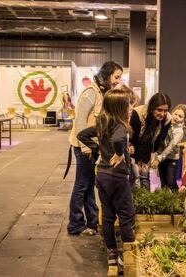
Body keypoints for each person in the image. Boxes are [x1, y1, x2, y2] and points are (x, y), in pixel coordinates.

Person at [77, 89, 134, 272]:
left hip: (102, 174)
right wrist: (118, 154)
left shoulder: (102, 123)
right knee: (126, 216)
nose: (130, 108)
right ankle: (127, 254)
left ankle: (111, 254)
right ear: (120, 108)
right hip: (117, 177)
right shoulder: (121, 125)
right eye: (128, 105)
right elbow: (118, 139)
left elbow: (82, 135)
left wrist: (98, 150)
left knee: (108, 217)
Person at [66, 61, 123, 236]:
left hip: (92, 146)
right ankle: (75, 224)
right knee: (82, 186)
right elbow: (80, 121)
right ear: (106, 74)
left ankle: (91, 222)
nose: (118, 81)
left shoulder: (103, 92)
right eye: (116, 77)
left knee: (90, 186)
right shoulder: (90, 92)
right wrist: (85, 146)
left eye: (119, 78)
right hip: (84, 146)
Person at [130, 93, 172, 189]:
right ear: (152, 108)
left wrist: (145, 159)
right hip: (133, 150)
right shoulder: (137, 113)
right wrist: (137, 159)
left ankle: (145, 202)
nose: (162, 114)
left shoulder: (167, 119)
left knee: (144, 175)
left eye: (165, 110)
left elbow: (159, 140)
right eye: (159, 110)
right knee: (135, 176)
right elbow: (133, 138)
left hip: (147, 151)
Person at [150, 104, 186, 191]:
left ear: (184, 119)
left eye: (180, 116)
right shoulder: (167, 123)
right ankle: (165, 202)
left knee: (171, 182)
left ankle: (176, 200)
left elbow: (170, 147)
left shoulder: (179, 131)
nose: (176, 117)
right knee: (163, 182)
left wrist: (159, 159)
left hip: (171, 158)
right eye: (175, 114)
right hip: (162, 157)